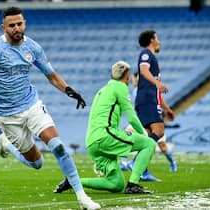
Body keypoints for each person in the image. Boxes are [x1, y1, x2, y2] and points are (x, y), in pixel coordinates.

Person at [0, 6, 100, 210]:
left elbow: (51, 76)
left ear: (24, 23)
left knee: (58, 146)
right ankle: (7, 144)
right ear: (4, 27)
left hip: (32, 105)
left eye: (20, 23)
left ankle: (82, 198)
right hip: (7, 115)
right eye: (12, 25)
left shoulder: (33, 48)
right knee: (37, 163)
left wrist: (70, 91)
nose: (17, 28)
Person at [54, 61, 157, 194]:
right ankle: (133, 184)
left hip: (92, 142)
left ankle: (72, 182)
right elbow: (131, 117)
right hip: (105, 136)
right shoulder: (120, 87)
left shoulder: (102, 90)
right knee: (149, 144)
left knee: (117, 184)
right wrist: (143, 134)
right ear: (127, 76)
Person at [134, 30, 177, 172]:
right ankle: (134, 161)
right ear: (152, 40)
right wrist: (157, 83)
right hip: (147, 100)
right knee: (158, 131)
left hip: (150, 100)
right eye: (157, 38)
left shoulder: (152, 58)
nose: (159, 42)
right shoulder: (146, 54)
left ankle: (138, 171)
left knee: (148, 137)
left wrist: (166, 108)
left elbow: (156, 90)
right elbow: (144, 70)